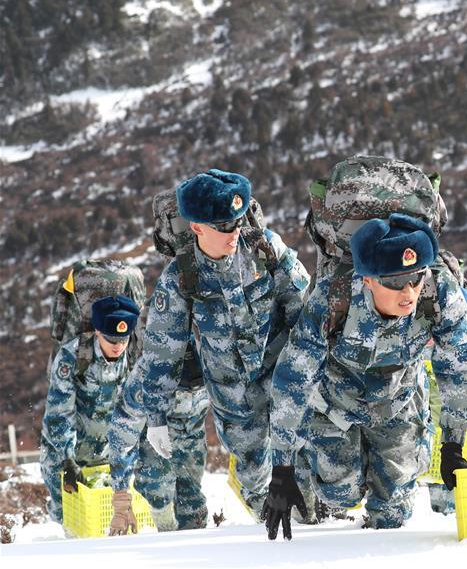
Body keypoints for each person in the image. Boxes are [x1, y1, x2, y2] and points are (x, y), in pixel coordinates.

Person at [264, 213, 467, 538]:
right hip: (336, 406)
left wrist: (452, 445)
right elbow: (293, 378)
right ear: (367, 278)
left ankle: (411, 457)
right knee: (340, 495)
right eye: (394, 281)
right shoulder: (332, 297)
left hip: (398, 402)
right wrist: (282, 465)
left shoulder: (438, 294)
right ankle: (312, 458)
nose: (408, 292)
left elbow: (459, 367)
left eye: (416, 278)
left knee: (392, 514)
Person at [141, 169, 309, 517]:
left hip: (279, 373)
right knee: (254, 475)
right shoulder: (181, 276)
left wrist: (305, 373)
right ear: (198, 227)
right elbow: (162, 350)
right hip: (232, 393)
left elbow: (302, 309)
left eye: (236, 222)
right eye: (223, 226)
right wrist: (157, 415)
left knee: (304, 462)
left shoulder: (265, 248)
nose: (234, 232)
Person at [40, 295, 141, 523]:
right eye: (111, 340)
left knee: (109, 517)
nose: (118, 347)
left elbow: (137, 410)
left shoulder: (134, 357)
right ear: (98, 332)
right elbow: (59, 413)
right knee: (69, 518)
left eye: (123, 340)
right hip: (67, 450)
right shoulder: (72, 357)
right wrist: (67, 460)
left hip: (109, 452)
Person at [107, 347, 209, 535]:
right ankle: (165, 527)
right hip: (154, 435)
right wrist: (121, 501)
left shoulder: (219, 359)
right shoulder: (147, 374)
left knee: (193, 509)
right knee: (159, 487)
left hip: (191, 435)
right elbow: (123, 433)